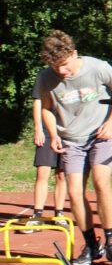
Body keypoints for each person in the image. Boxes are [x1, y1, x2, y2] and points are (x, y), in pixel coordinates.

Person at [37, 30, 112, 265]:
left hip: (101, 135)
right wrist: (53, 134)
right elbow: (46, 108)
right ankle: (91, 244)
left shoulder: (96, 67)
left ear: (74, 54)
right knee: (74, 191)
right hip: (71, 140)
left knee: (101, 182)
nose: (61, 71)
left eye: (65, 64)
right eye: (56, 66)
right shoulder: (46, 78)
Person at [23, 70, 68, 230]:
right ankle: (37, 214)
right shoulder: (44, 76)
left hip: (66, 131)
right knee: (42, 172)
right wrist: (38, 129)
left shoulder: (73, 76)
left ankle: (59, 214)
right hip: (46, 131)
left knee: (61, 174)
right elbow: (37, 102)